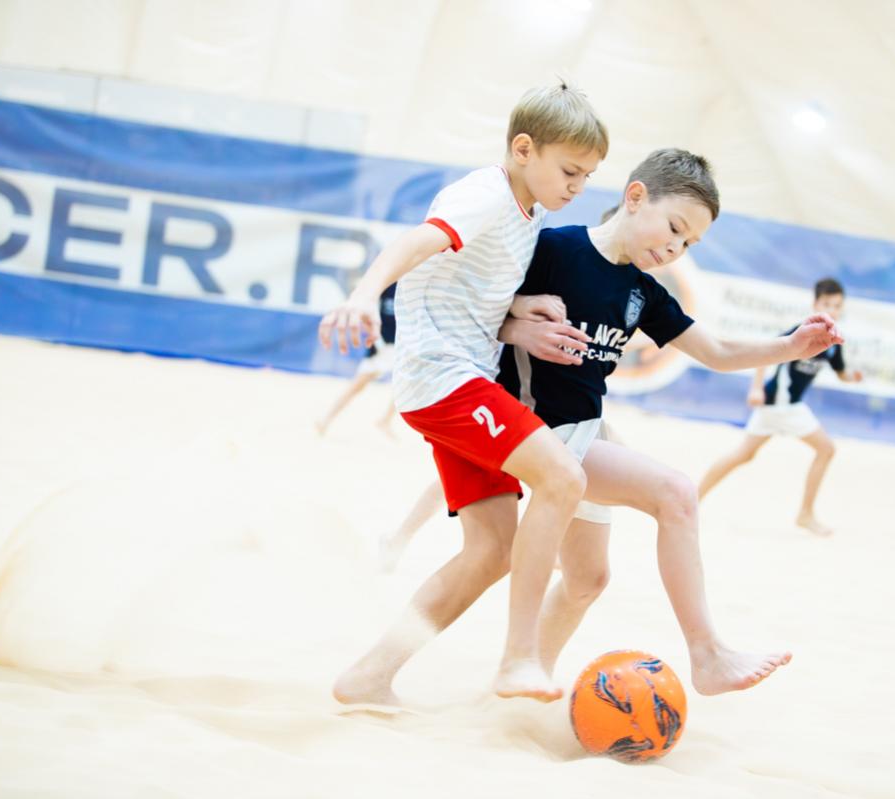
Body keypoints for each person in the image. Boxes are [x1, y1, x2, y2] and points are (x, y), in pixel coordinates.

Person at [493, 149, 842, 688]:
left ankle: (522, 681)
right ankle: (708, 655)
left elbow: (718, 352)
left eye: (690, 243)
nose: (677, 248)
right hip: (535, 429)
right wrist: (515, 325)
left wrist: (790, 347)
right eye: (676, 228)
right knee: (676, 494)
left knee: (586, 580)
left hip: (585, 431)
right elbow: (475, 311)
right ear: (635, 197)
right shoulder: (553, 248)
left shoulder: (644, 292)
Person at [318, 81, 607, 702]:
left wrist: (519, 311)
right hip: (445, 380)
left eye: (588, 176)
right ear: (524, 149)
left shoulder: (529, 212)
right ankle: (520, 658)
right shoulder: (485, 194)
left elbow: (468, 290)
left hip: (460, 380)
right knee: (564, 477)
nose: (578, 187)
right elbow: (416, 242)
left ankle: (369, 677)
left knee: (493, 550)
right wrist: (363, 295)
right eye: (570, 171)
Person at [697, 278, 862, 537]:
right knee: (826, 449)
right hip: (781, 404)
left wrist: (853, 377)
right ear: (815, 304)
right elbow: (766, 353)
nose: (832, 309)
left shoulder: (834, 341)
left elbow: (842, 374)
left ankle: (693, 498)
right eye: (826, 304)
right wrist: (756, 388)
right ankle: (805, 515)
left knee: (744, 454)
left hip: (784, 407)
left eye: (837, 305)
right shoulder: (802, 330)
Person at [315, 284, 398, 437]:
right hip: (380, 347)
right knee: (357, 386)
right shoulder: (387, 284)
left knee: (404, 386)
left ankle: (385, 420)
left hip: (399, 347)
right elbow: (367, 314)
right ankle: (325, 420)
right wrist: (378, 342)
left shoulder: (410, 286)